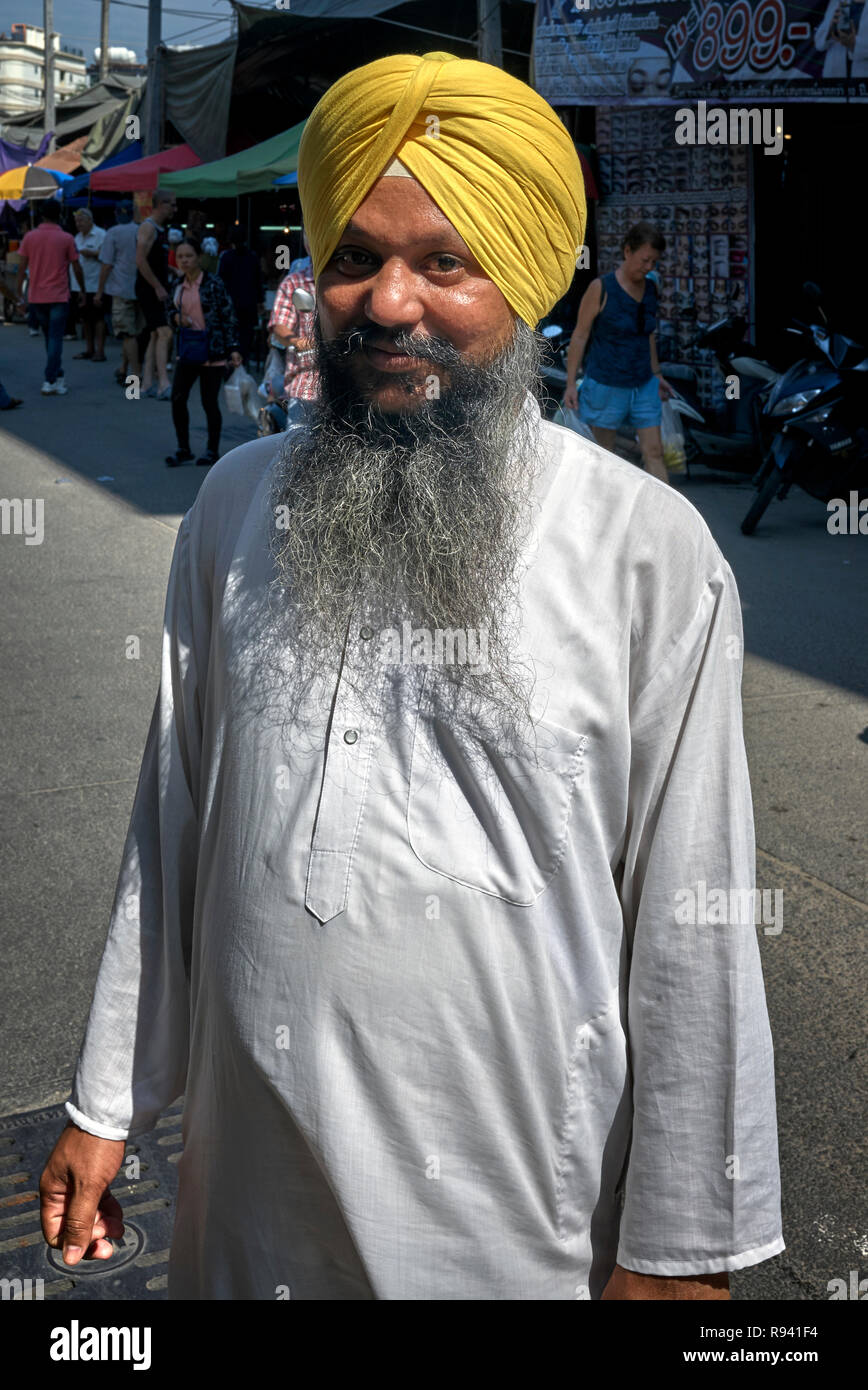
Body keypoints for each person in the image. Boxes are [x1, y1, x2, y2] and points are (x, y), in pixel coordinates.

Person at [41, 51, 783, 1302]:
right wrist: (106, 1094)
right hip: (251, 1212)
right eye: (352, 257)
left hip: (515, 1227)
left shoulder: (647, 553)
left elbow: (690, 917)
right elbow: (169, 823)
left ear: (531, 279)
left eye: (445, 261)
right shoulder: (235, 507)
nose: (388, 304)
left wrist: (679, 1249)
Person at [564, 222, 672, 485]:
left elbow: (648, 335)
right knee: (604, 456)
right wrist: (570, 384)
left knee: (655, 452)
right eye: (645, 260)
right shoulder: (601, 289)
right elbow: (580, 335)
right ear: (627, 251)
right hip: (606, 383)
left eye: (654, 262)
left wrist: (657, 374)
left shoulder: (651, 289)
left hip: (644, 383)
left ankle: (666, 520)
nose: (649, 267)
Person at [163, 234, 242, 468]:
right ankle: (183, 448)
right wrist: (176, 318)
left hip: (213, 353)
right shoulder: (177, 285)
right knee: (178, 398)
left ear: (198, 258)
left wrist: (234, 348)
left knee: (209, 402)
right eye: (180, 256)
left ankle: (212, 450)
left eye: (189, 256)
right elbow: (168, 311)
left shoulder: (213, 283)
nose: (184, 260)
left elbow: (228, 317)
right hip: (187, 350)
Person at [15, 199, 85, 396]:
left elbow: (21, 268)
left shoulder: (30, 237)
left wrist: (20, 296)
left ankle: (57, 375)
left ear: (42, 215)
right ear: (59, 215)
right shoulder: (66, 238)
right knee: (55, 338)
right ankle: (50, 378)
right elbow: (76, 266)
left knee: (50, 338)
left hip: (37, 295)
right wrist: (82, 288)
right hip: (59, 294)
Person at [266, 230, 318, 428]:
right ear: (305, 244)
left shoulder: (352, 281)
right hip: (306, 383)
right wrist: (296, 341)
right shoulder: (294, 281)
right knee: (299, 446)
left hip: (351, 386)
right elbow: (279, 325)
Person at [96, 201, 145, 386]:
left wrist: (99, 291)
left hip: (120, 289)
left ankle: (136, 376)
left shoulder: (113, 233)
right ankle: (124, 368)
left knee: (127, 334)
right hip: (140, 289)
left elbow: (106, 264)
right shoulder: (142, 230)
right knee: (134, 333)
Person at [136, 188, 177, 400]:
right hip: (149, 290)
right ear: (161, 204)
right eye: (172, 204)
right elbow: (140, 260)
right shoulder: (148, 227)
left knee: (155, 334)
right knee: (165, 333)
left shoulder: (160, 228)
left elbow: (153, 261)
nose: (175, 208)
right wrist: (157, 286)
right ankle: (163, 383)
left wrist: (172, 271)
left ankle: (146, 384)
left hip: (156, 287)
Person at [218, 228, 264, 364]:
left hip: (230, 303)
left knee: (231, 333)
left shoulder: (226, 257)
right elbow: (258, 281)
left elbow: (221, 281)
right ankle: (243, 360)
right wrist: (260, 300)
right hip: (249, 303)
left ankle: (231, 360)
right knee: (246, 334)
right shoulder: (253, 257)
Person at [70, 209, 107, 361]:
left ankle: (100, 350)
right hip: (79, 285)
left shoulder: (101, 234)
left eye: (82, 221)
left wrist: (93, 253)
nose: (79, 224)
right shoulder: (77, 237)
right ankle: (89, 349)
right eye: (77, 221)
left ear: (90, 220)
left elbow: (108, 256)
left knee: (98, 318)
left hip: (96, 283)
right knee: (85, 318)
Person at [815, 1, 868, 77]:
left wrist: (854, 44)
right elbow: (819, 42)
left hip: (863, 76)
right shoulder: (837, 2)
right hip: (835, 77)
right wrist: (831, 28)